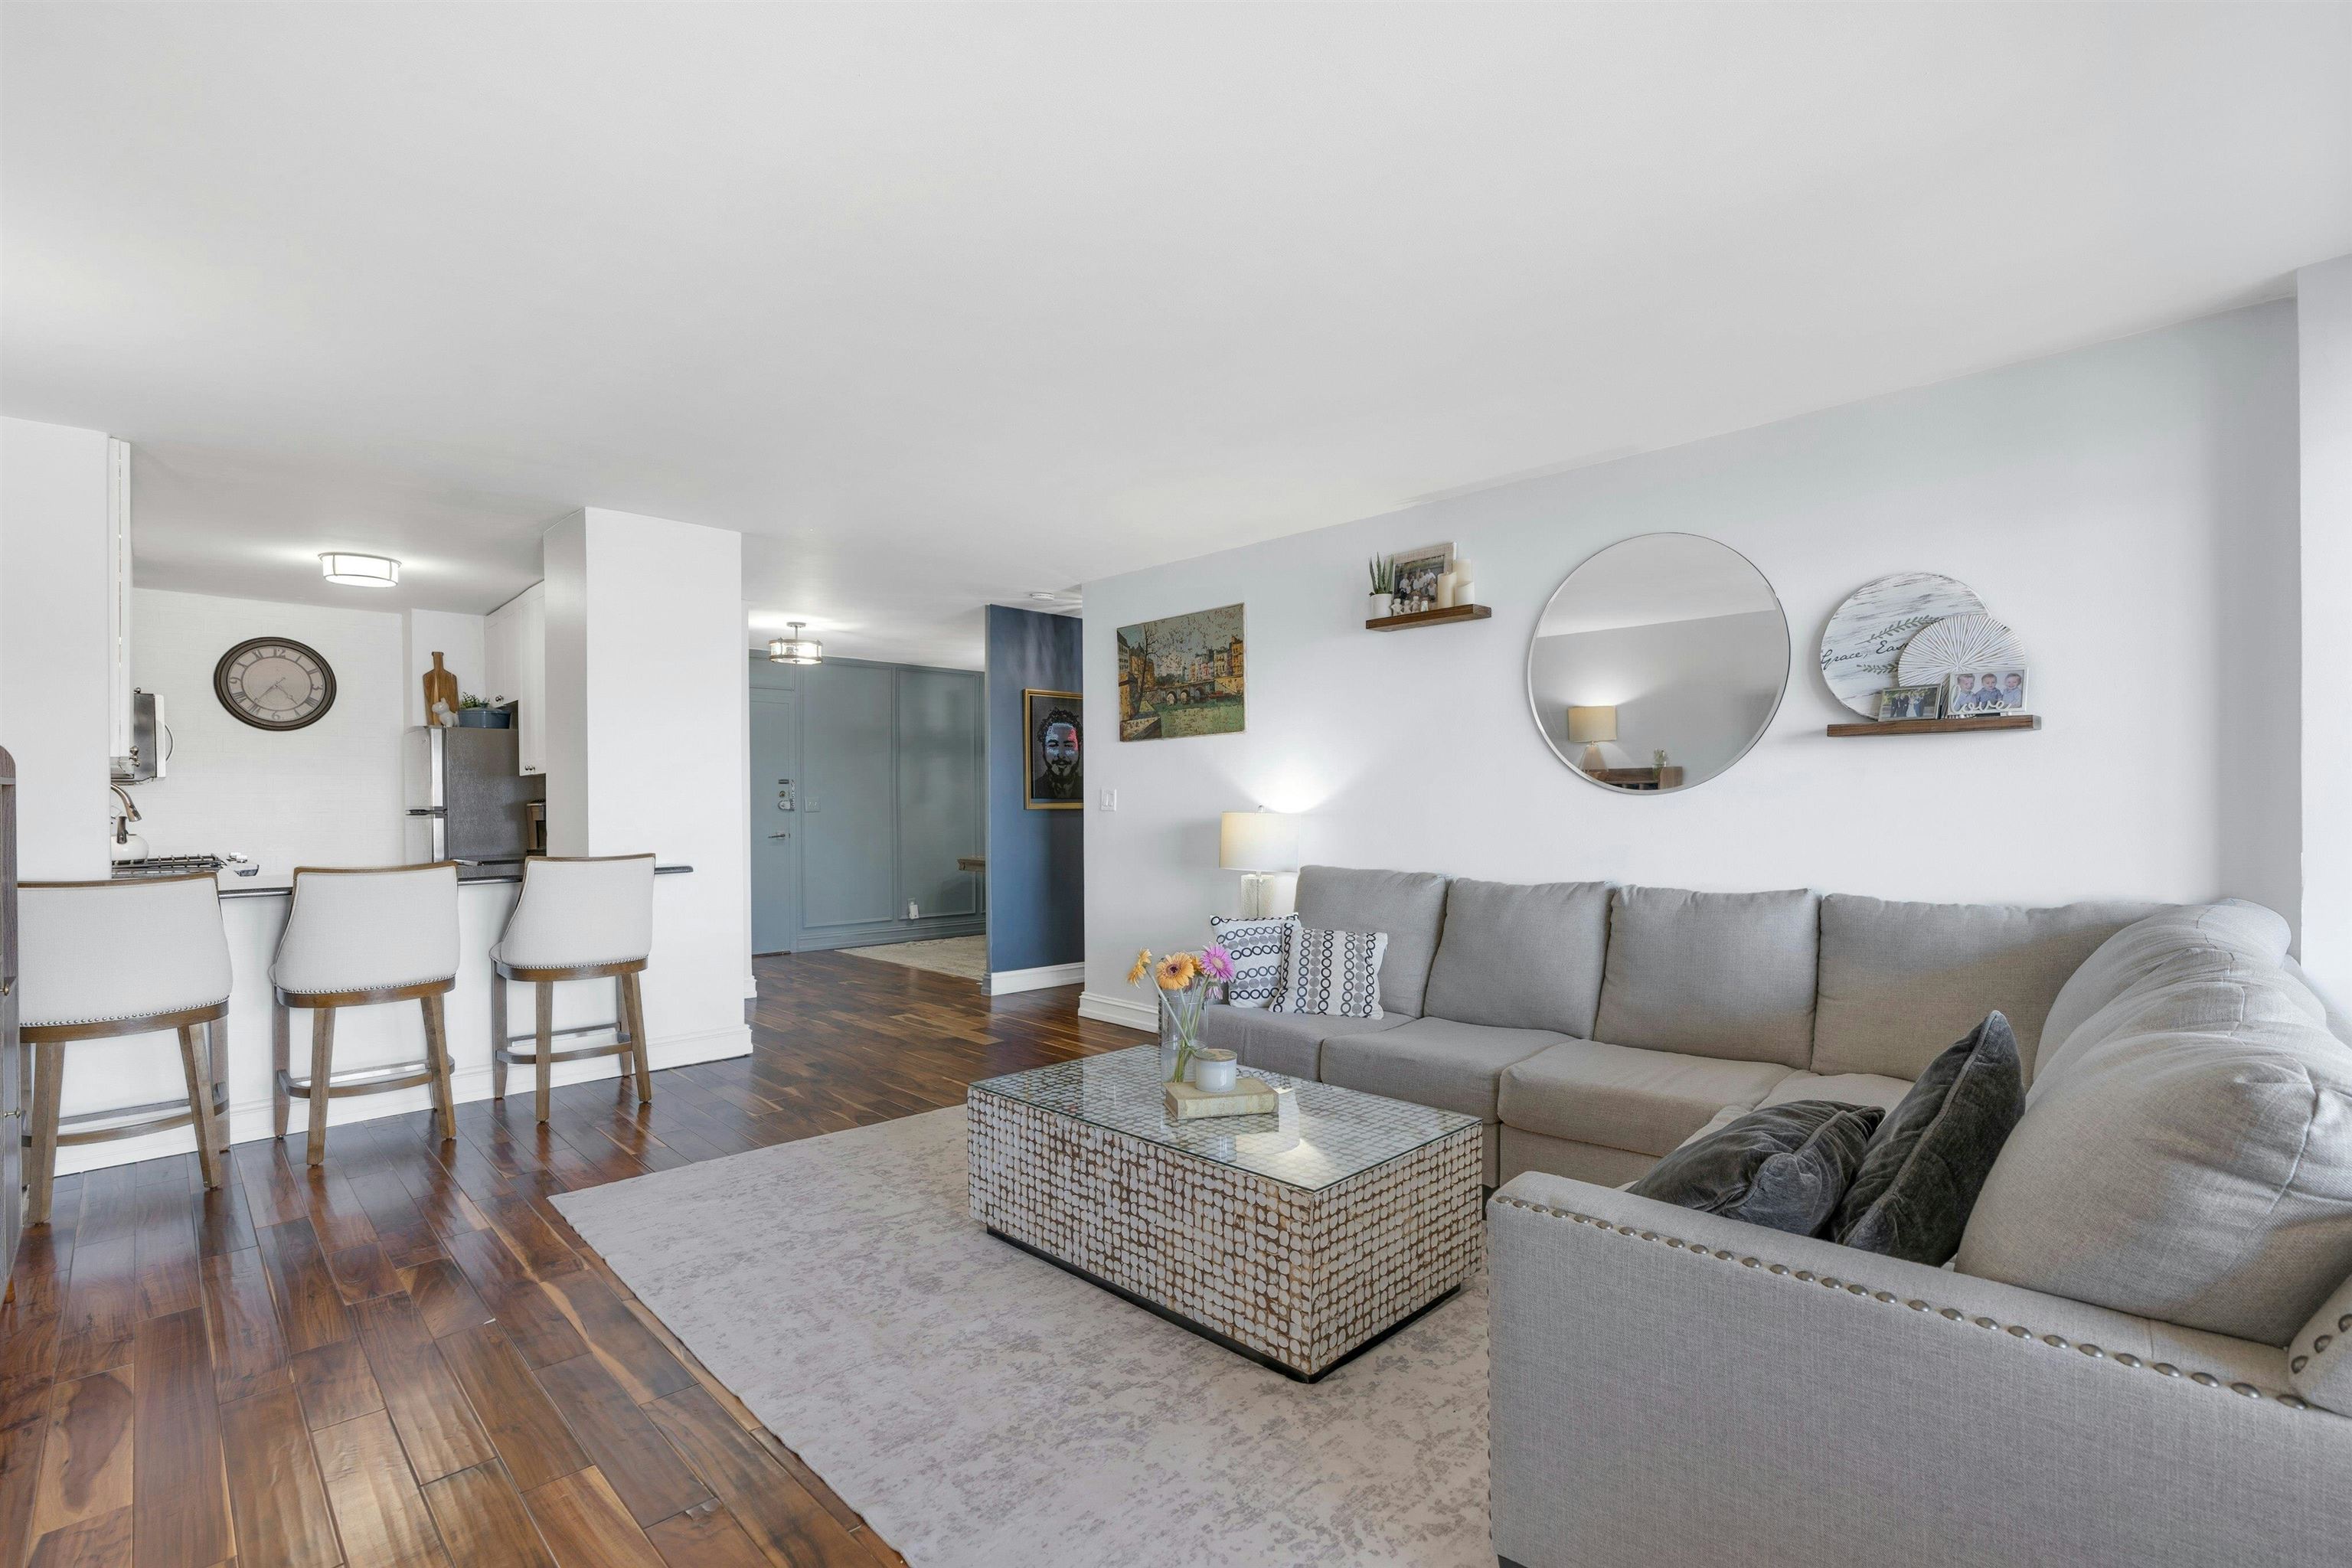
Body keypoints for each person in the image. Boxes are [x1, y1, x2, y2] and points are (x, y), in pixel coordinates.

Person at [1032, 706, 1082, 802]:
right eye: (1053, 745)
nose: (1061, 754)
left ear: (1080, 749)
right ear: (1043, 751)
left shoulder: (1090, 787)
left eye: (1068, 746)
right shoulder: (1035, 788)